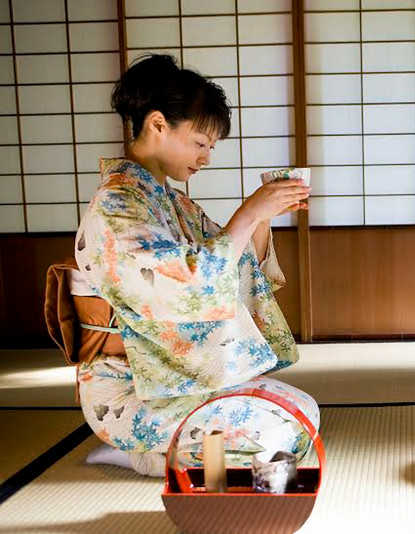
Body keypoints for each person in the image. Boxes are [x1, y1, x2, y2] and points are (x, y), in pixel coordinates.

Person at [73, 54, 316, 475]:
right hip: (132, 390)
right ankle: (141, 451)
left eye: (211, 147)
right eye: (200, 143)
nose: (206, 157)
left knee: (302, 411)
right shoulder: (117, 204)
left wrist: (261, 216)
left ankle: (165, 449)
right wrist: (247, 212)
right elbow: (189, 284)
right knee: (277, 431)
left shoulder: (172, 202)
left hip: (175, 377)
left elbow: (233, 271)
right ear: (157, 124)